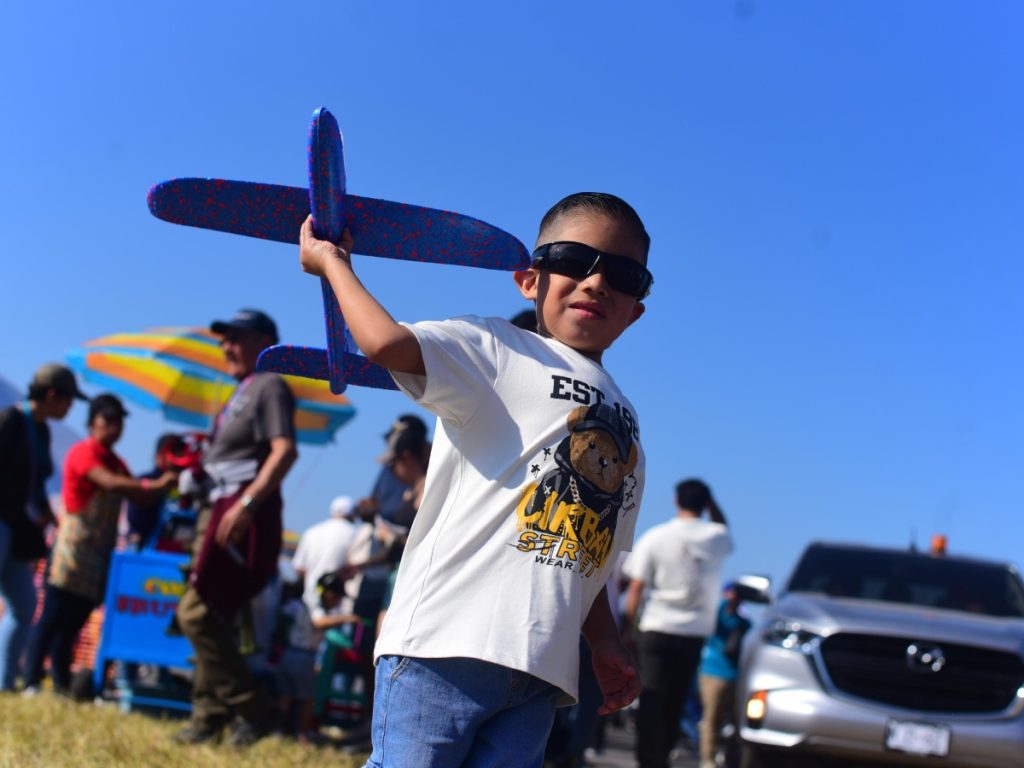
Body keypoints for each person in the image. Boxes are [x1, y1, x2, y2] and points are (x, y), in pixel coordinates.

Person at [298, 191, 651, 767]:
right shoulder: (496, 349)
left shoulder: (627, 419)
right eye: (573, 261)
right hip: (447, 642)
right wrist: (333, 262)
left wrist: (605, 643)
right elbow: (385, 343)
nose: (595, 281)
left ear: (636, 307)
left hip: (541, 669)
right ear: (528, 280)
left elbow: (585, 550)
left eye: (622, 272)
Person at [174, 308, 298, 747]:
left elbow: (284, 453)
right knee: (213, 615)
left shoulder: (269, 385)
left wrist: (246, 504)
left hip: (239, 515)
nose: (226, 346)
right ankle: (208, 718)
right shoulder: (240, 391)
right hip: (218, 509)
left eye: (236, 337)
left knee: (198, 613)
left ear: (265, 340)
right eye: (223, 340)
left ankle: (254, 708)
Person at [22, 393, 176, 695]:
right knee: (53, 616)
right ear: (93, 422)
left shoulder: (118, 463)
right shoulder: (84, 453)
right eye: (109, 420)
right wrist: (155, 485)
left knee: (74, 624)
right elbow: (111, 484)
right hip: (71, 551)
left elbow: (137, 495)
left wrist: (167, 485)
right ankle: (30, 680)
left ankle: (61, 683)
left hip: (99, 555)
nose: (115, 428)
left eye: (119, 422)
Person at [623, 479, 733, 768]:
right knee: (676, 700)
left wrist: (627, 628)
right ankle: (663, 757)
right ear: (706, 504)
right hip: (694, 632)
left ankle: (647, 759)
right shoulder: (715, 536)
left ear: (676, 501)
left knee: (652, 697)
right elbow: (724, 528)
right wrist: (712, 506)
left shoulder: (657, 536)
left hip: (656, 626)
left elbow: (636, 587)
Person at [0, 363, 86, 691]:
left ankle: (5, 683)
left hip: (18, 528)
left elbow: (34, 484)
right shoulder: (10, 421)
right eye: (68, 401)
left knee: (23, 606)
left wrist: (44, 514)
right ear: (52, 395)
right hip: (2, 522)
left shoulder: (42, 430)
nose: (70, 408)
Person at [697, 583, 751, 768]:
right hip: (713, 672)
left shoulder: (742, 622)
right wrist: (729, 601)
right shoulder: (718, 613)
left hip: (733, 675)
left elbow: (748, 628)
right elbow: (717, 616)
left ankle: (723, 756)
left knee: (727, 722)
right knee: (710, 719)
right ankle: (708, 761)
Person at [292, 494, 360, 626]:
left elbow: (299, 568)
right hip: (336, 601)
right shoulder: (354, 533)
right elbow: (354, 567)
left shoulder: (311, 531)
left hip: (310, 593)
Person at [125, 433, 187, 549]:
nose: (177, 457)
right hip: (143, 546)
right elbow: (134, 515)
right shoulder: (145, 480)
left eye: (180, 451)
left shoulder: (188, 484)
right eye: (173, 452)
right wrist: (161, 486)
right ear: (158, 456)